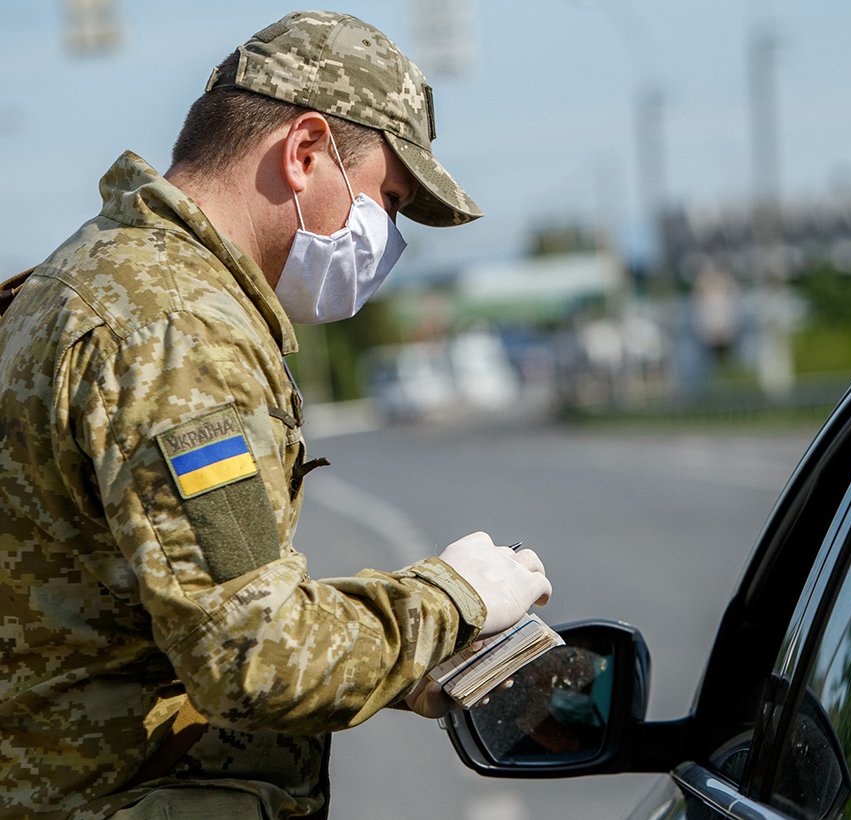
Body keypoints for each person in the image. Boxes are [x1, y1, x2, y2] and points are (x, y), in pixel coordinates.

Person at [0, 11, 551, 820]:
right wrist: (454, 598)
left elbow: (145, 612)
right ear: (304, 151)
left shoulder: (85, 277)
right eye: (388, 201)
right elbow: (254, 658)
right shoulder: (179, 329)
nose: (388, 239)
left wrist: (405, 662)